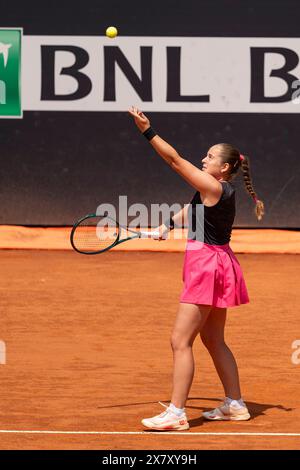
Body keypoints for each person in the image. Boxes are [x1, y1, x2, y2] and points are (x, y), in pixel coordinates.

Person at [128, 106, 264, 431]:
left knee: (180, 340)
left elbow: (174, 161)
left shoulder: (215, 187)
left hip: (206, 266)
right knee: (213, 339)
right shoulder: (212, 190)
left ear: (225, 167)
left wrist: (148, 130)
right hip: (221, 263)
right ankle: (235, 403)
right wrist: (165, 226)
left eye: (209, 157)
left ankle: (176, 413)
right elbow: (192, 209)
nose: (204, 160)